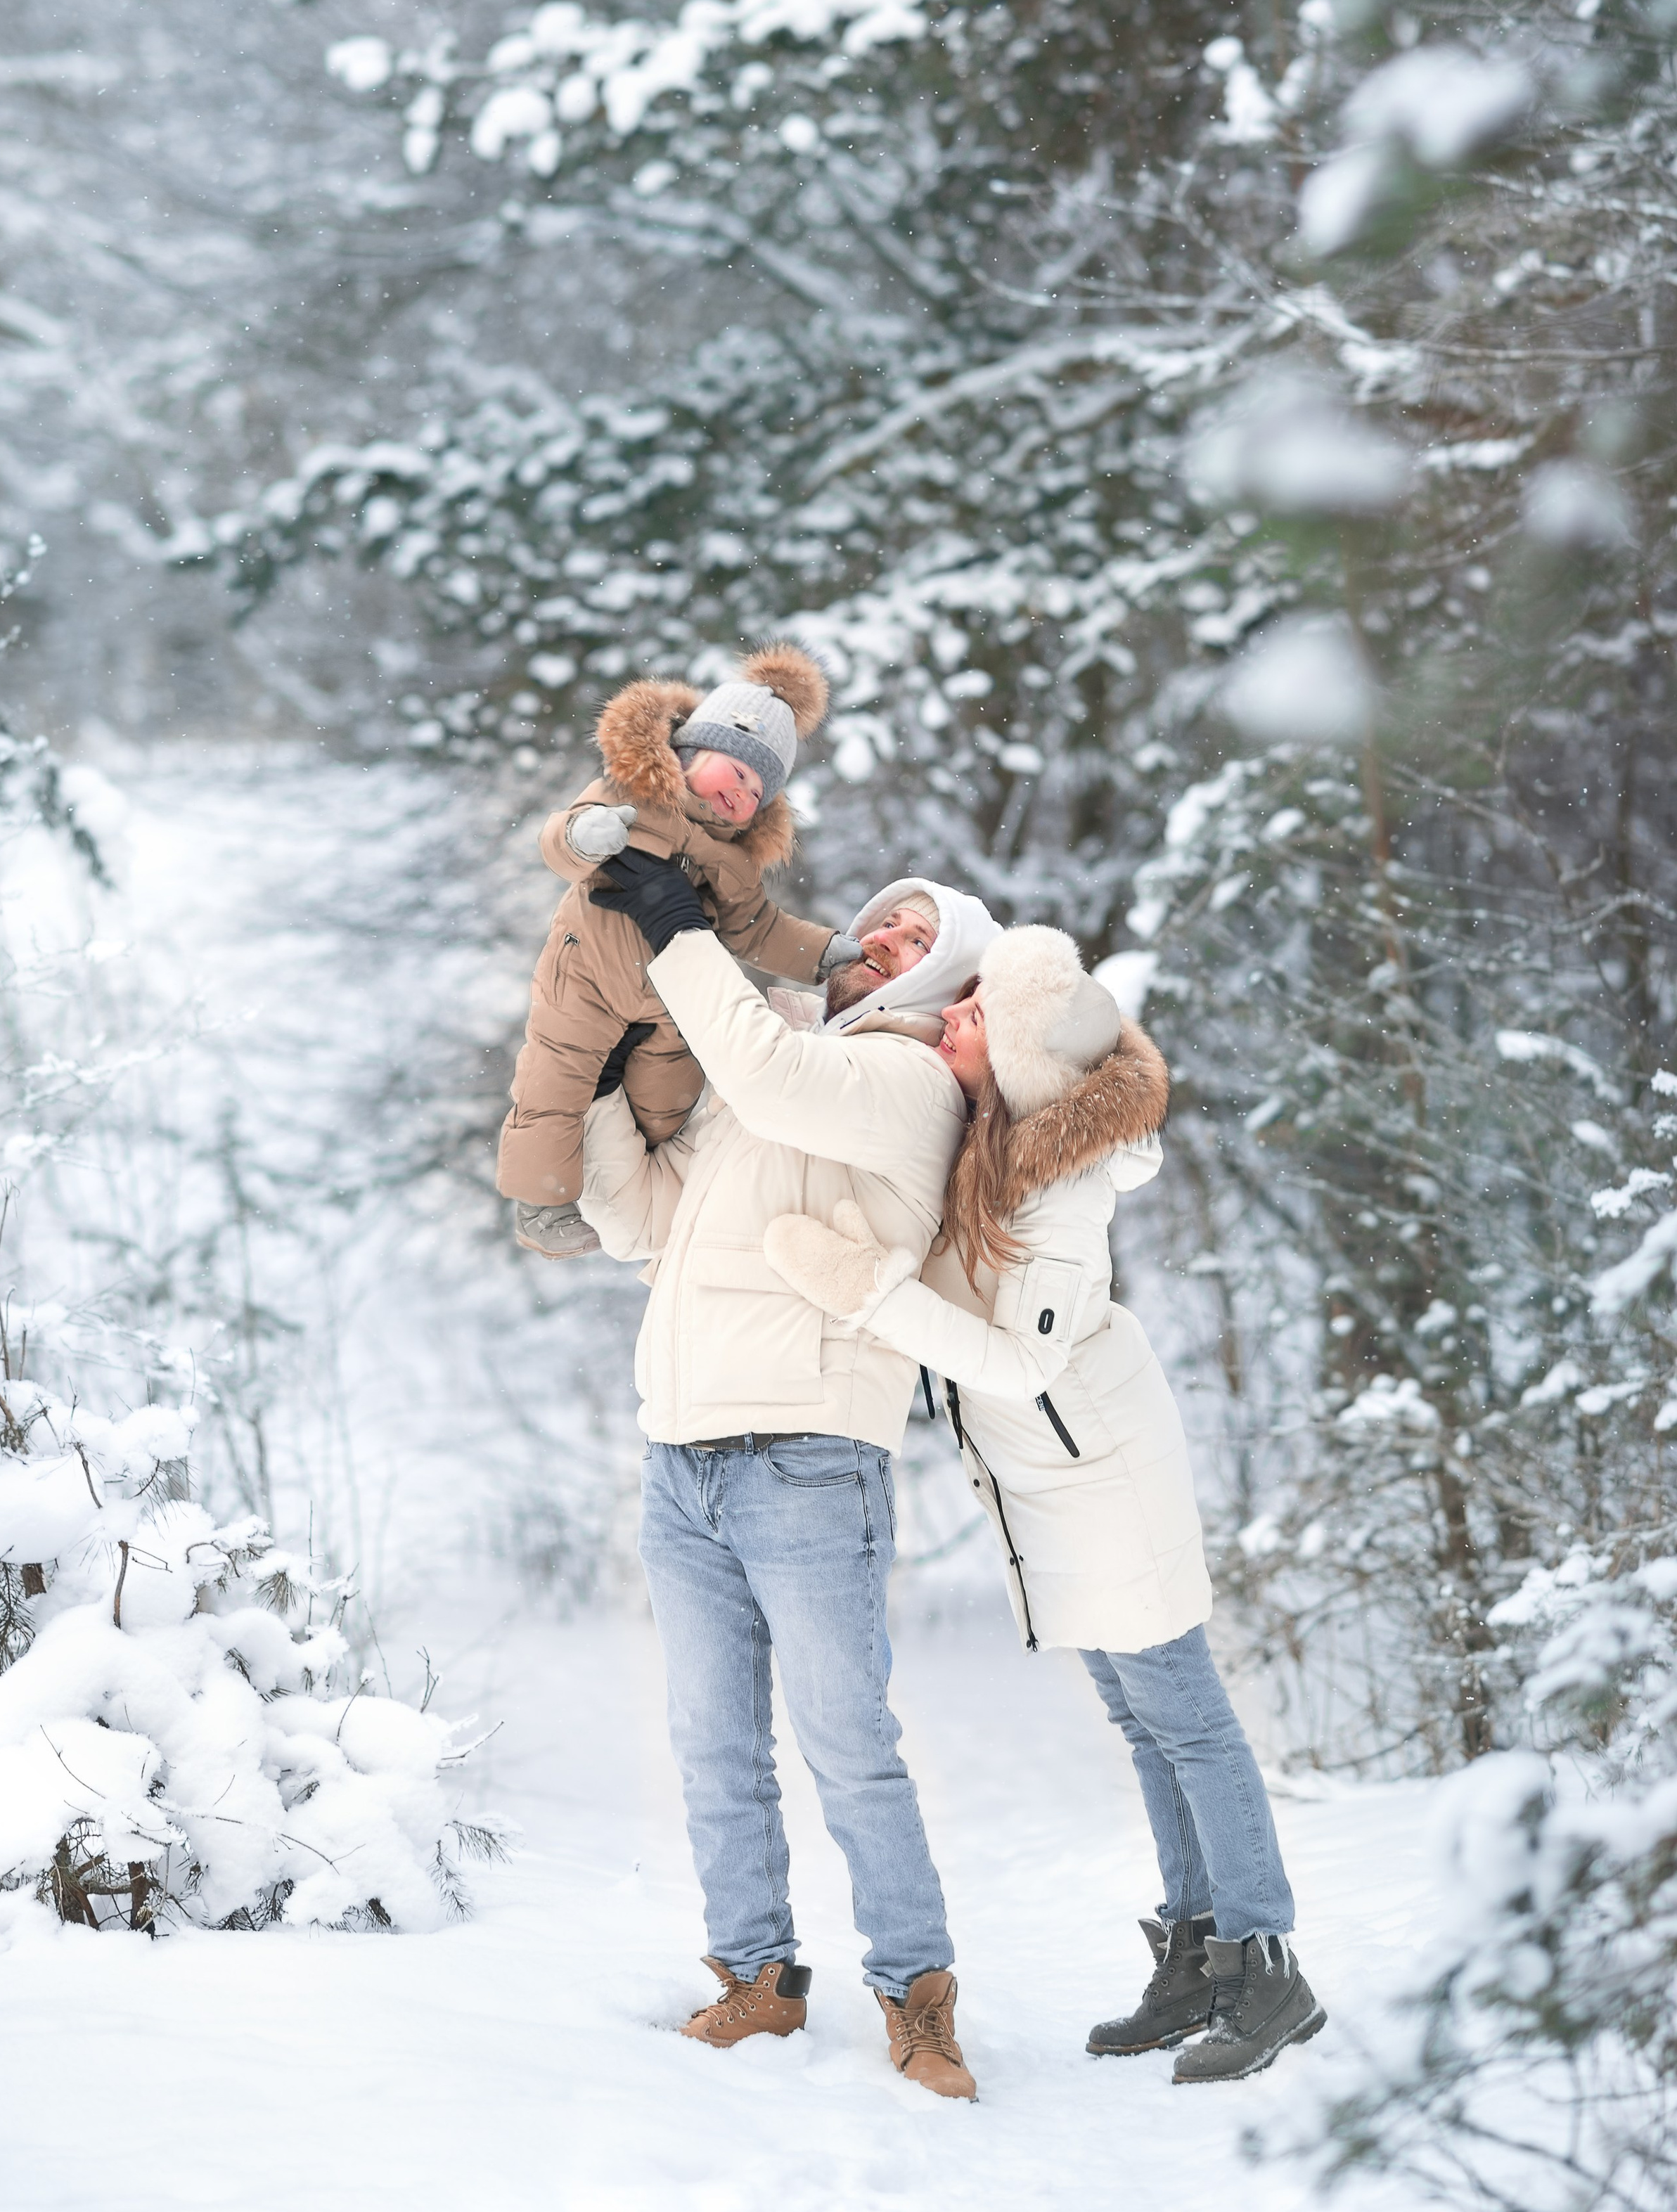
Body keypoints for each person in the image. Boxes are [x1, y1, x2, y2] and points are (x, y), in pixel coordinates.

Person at [762, 925, 1326, 2085]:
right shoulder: (990, 1137)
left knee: (1189, 1714)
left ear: (1020, 1050)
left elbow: (1016, 1365)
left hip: (1105, 1479)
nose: (950, 1017)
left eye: (974, 1011)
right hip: (1054, 1490)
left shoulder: (1059, 1184)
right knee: (1144, 1718)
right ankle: (1194, 1953)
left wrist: (866, 1293)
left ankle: (1267, 1969)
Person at [574, 856, 1000, 2097]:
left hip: (810, 1455)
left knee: (846, 1743)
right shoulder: (785, 1063)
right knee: (711, 1744)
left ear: (947, 970)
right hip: (683, 1454)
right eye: (877, 920)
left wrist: (673, 933)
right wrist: (601, 1099)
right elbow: (650, 1227)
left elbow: (766, 1067)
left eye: (917, 930)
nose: (887, 934)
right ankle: (757, 1981)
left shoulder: (908, 1083)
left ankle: (918, 1995)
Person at [497, 645, 862, 1258]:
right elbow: (558, 840)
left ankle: (657, 1181)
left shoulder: (736, 861)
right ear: (691, 752)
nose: (741, 795)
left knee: (669, 1101)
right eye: (736, 772)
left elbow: (758, 929)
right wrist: (585, 836)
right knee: (556, 1082)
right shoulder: (630, 796)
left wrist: (824, 953)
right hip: (586, 973)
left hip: (671, 1000)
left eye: (756, 791)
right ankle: (543, 1201)